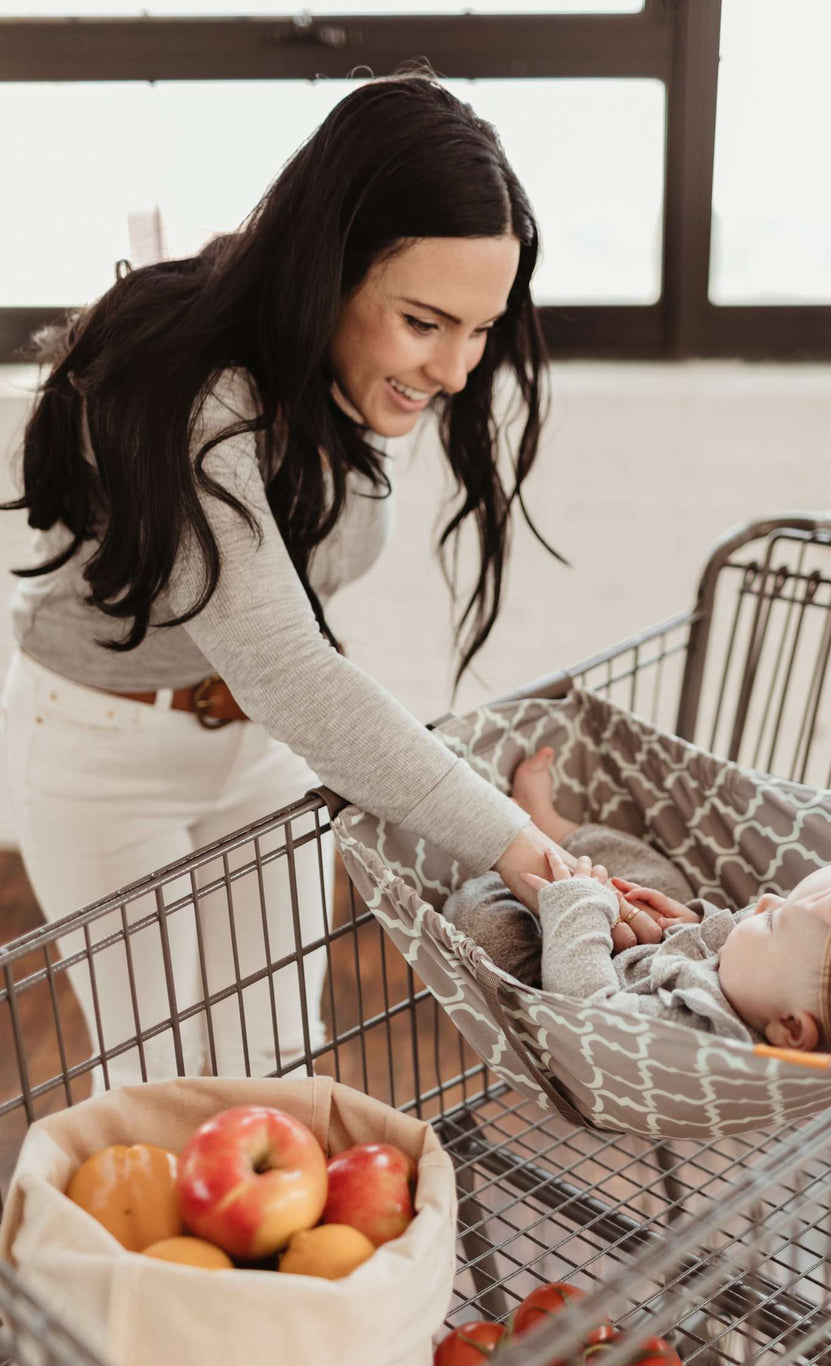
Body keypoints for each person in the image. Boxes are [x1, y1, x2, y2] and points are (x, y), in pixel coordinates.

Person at [1, 73, 653, 1090]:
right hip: (104, 754)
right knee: (162, 1085)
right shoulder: (198, 393)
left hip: (257, 751)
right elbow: (287, 666)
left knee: (275, 1062)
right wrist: (515, 842)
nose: (456, 371)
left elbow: (288, 655)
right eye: (426, 322)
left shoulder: (323, 379)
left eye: (479, 330)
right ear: (329, 268)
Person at [443, 747, 831, 1055]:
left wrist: (575, 909)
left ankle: (507, 861)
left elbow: (593, 1015)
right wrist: (692, 925)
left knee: (486, 930)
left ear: (791, 1029)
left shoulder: (706, 1039)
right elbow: (718, 960)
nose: (765, 902)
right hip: (636, 950)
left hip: (564, 993)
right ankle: (553, 830)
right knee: (660, 876)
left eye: (775, 924)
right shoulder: (761, 992)